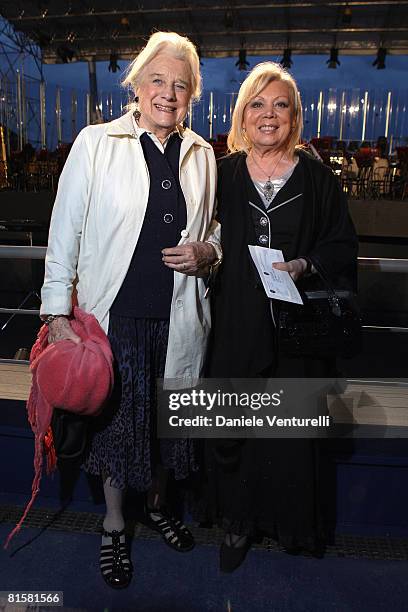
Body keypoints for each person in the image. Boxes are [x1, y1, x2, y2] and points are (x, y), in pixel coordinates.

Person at [40, 31, 221, 589]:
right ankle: (116, 524)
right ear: (137, 85)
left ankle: (161, 505)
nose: (168, 93)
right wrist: (55, 311)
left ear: (192, 95)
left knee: (168, 427)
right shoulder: (96, 143)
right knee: (119, 429)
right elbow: (64, 229)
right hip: (115, 320)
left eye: (180, 85)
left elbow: (215, 230)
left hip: (181, 317)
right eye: (158, 80)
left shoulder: (205, 154)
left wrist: (208, 251)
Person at [204, 62, 358, 572]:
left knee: (292, 433)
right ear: (242, 115)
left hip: (299, 327)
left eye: (280, 105)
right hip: (236, 319)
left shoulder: (317, 179)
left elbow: (341, 244)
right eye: (257, 104)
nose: (268, 115)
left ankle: (294, 525)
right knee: (236, 427)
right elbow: (201, 233)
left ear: (294, 117)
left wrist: (305, 264)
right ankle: (237, 523)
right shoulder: (222, 173)